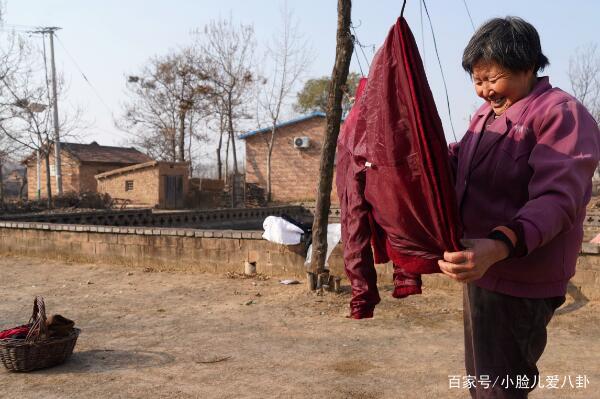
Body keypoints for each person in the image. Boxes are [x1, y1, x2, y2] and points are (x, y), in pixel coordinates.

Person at [439, 17, 600, 398]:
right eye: (477, 81)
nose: (484, 91)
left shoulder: (561, 113)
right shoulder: (485, 116)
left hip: (521, 278)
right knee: (483, 382)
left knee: (501, 388)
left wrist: (498, 245)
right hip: (482, 270)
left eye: (494, 79)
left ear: (528, 66)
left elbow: (557, 200)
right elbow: (458, 164)